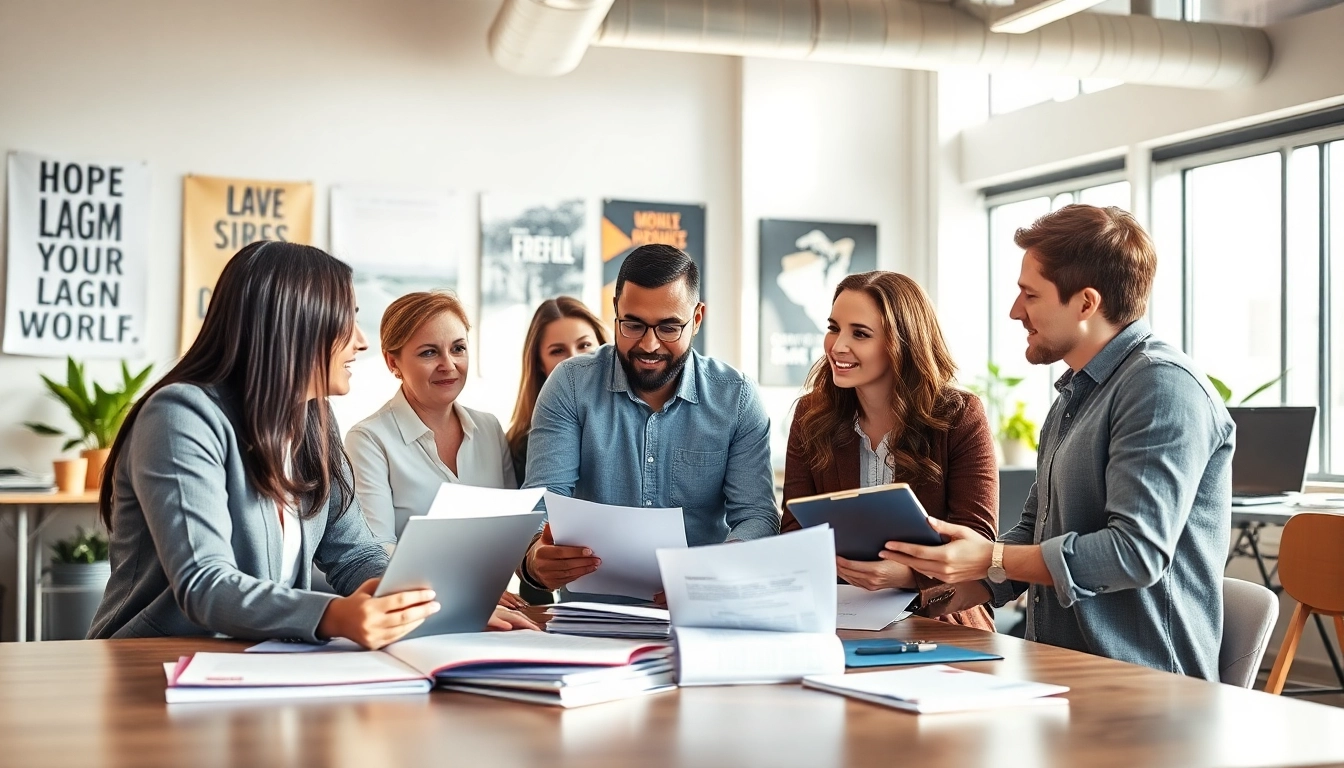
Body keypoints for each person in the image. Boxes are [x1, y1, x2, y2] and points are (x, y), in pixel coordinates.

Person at [88, 242, 534, 648]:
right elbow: (205, 582)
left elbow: (354, 553)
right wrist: (334, 615)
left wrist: (437, 608)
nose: (360, 341)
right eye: (348, 320)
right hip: (150, 663)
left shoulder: (313, 418)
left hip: (258, 660)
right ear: (294, 324)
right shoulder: (181, 415)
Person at [883, 205, 1233, 680]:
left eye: (1030, 294)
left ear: (1086, 303)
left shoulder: (1160, 388)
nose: (1014, 311)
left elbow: (1134, 553)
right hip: (1059, 669)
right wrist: (951, 589)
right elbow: (1033, 529)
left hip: (1143, 687)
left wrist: (991, 557)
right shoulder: (1075, 391)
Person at [519, 244, 779, 599]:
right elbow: (542, 502)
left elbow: (757, 516)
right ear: (615, 310)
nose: (650, 345)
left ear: (697, 319)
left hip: (700, 612)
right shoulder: (570, 385)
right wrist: (536, 556)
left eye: (669, 327)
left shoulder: (736, 398)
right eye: (633, 325)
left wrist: (715, 571)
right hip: (592, 622)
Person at [781, 271, 998, 630]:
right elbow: (793, 531)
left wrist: (908, 576)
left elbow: (976, 544)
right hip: (840, 611)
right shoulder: (811, 415)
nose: (837, 346)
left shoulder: (960, 416)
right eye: (834, 328)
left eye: (860, 334)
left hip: (941, 617)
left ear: (903, 344)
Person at [345, 291, 516, 540]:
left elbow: (514, 532)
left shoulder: (489, 428)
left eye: (458, 348)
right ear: (392, 362)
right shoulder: (369, 440)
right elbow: (377, 552)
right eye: (429, 352)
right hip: (404, 581)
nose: (448, 365)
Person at [505, 296, 607, 486]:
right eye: (558, 351)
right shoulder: (518, 448)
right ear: (539, 365)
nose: (573, 360)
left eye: (584, 345)